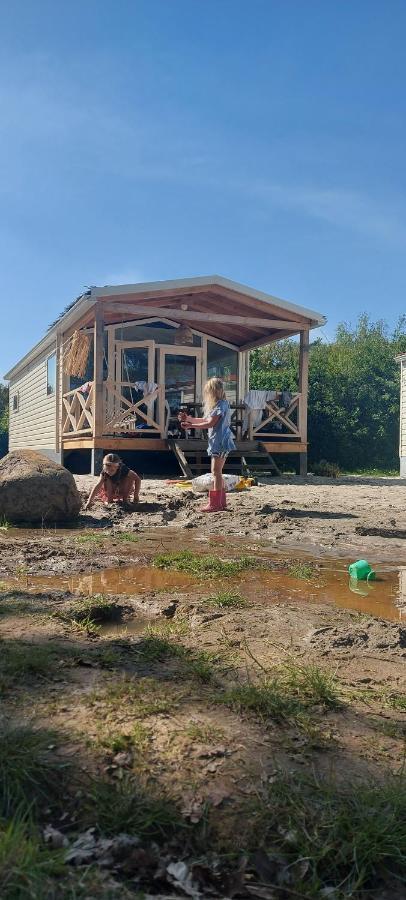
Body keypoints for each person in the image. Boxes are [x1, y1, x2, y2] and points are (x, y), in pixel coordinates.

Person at [179, 377, 235, 512]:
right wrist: (190, 419)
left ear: (214, 391)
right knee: (218, 473)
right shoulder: (222, 404)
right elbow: (206, 420)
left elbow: (210, 423)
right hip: (222, 441)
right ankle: (221, 503)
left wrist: (191, 425)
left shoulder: (220, 405)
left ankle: (215, 504)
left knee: (216, 472)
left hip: (220, 442)